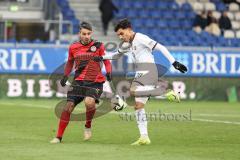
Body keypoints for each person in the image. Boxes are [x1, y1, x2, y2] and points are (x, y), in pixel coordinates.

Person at [93, 19, 187, 145]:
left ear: (129, 29)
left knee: (132, 91)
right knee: (138, 106)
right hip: (141, 72)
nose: (121, 37)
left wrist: (174, 62)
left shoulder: (141, 38)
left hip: (149, 69)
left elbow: (161, 47)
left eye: (122, 33)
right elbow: (116, 55)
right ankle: (144, 137)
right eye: (118, 35)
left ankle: (165, 92)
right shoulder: (126, 45)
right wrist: (101, 57)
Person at [50, 21, 112, 144]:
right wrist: (65, 75)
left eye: (89, 34)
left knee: (89, 102)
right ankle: (58, 137)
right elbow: (69, 62)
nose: (86, 36)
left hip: (95, 81)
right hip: (78, 81)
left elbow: (106, 61)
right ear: (79, 33)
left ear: (91, 33)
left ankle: (88, 125)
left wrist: (109, 72)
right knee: (68, 107)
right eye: (84, 33)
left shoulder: (99, 45)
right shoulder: (73, 47)